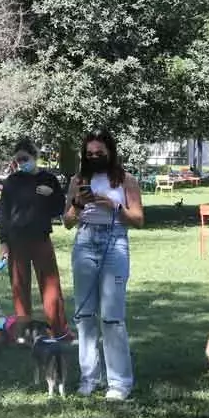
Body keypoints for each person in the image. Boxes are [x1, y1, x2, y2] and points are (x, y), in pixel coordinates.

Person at [63, 131, 144, 400]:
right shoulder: (78, 180)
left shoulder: (126, 180)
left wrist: (114, 205)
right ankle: (89, 378)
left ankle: (119, 383)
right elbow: (67, 221)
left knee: (112, 317)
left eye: (99, 153)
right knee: (85, 314)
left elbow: (139, 219)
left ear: (110, 152)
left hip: (115, 243)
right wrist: (77, 203)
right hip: (85, 241)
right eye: (89, 154)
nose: (94, 157)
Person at [0, 138, 69, 335]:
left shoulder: (48, 179)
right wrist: (3, 241)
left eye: (25, 159)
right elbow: (2, 213)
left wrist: (51, 194)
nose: (22, 163)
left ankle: (59, 329)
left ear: (35, 157)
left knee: (50, 285)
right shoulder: (11, 182)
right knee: (20, 287)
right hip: (16, 240)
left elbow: (59, 208)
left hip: (41, 238)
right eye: (18, 160)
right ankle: (23, 331)